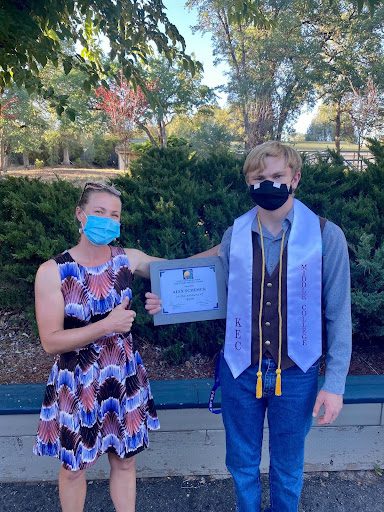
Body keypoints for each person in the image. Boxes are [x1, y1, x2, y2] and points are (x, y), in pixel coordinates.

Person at [146, 141, 352, 512]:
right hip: (240, 370)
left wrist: (334, 384)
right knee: (241, 465)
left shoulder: (325, 235)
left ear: (295, 178)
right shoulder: (235, 234)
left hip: (296, 372)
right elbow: (205, 288)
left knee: (288, 468)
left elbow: (339, 314)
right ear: (248, 183)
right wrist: (168, 299)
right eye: (259, 178)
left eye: (277, 176)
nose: (268, 184)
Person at [33, 182, 164, 512]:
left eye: (114, 214)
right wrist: (107, 326)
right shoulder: (53, 272)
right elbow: (51, 341)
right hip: (77, 382)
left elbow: (180, 273)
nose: (107, 220)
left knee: (124, 462)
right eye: (99, 212)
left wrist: (228, 247)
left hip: (122, 376)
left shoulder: (128, 260)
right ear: (80, 214)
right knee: (75, 470)